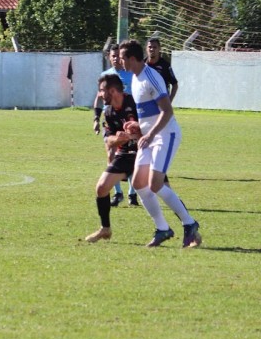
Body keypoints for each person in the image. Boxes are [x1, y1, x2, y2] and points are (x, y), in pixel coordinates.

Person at [119, 39, 201, 248]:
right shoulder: (135, 78)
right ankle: (163, 228)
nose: (120, 62)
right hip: (150, 136)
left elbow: (167, 111)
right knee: (139, 183)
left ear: (132, 58)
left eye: (122, 58)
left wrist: (150, 134)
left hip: (166, 135)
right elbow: (149, 113)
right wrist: (137, 126)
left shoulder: (151, 77)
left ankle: (189, 223)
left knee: (155, 184)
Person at [85, 74, 139, 243]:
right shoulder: (108, 112)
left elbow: (152, 126)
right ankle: (105, 229)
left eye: (102, 91)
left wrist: (133, 134)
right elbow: (108, 140)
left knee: (161, 189)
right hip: (124, 155)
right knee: (101, 188)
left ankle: (188, 224)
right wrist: (119, 139)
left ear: (113, 90)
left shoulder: (135, 103)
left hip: (145, 152)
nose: (100, 94)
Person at [92, 44, 137, 206]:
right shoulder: (105, 76)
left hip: (129, 119)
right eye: (114, 56)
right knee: (111, 153)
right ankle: (118, 193)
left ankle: (132, 193)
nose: (117, 58)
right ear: (109, 57)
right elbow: (98, 98)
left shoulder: (131, 74)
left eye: (119, 55)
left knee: (132, 154)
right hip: (110, 119)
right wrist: (96, 119)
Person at [146, 37, 179, 102]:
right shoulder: (142, 65)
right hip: (146, 102)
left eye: (155, 47)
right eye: (150, 47)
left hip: (161, 102)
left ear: (159, 49)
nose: (152, 49)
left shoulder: (165, 65)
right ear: (146, 48)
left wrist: (169, 101)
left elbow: (175, 84)